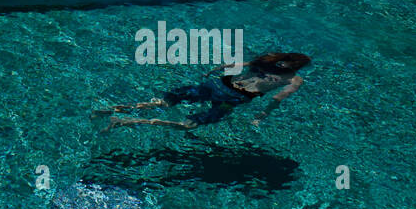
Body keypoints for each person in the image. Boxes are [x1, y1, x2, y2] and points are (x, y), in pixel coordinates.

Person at [92, 53, 311, 131]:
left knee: (165, 103)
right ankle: (124, 121)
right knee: (187, 124)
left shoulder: (270, 62)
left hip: (219, 87)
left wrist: (213, 71)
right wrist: (261, 116)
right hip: (231, 97)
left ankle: (113, 111)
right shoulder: (293, 78)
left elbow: (234, 65)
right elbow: (277, 98)